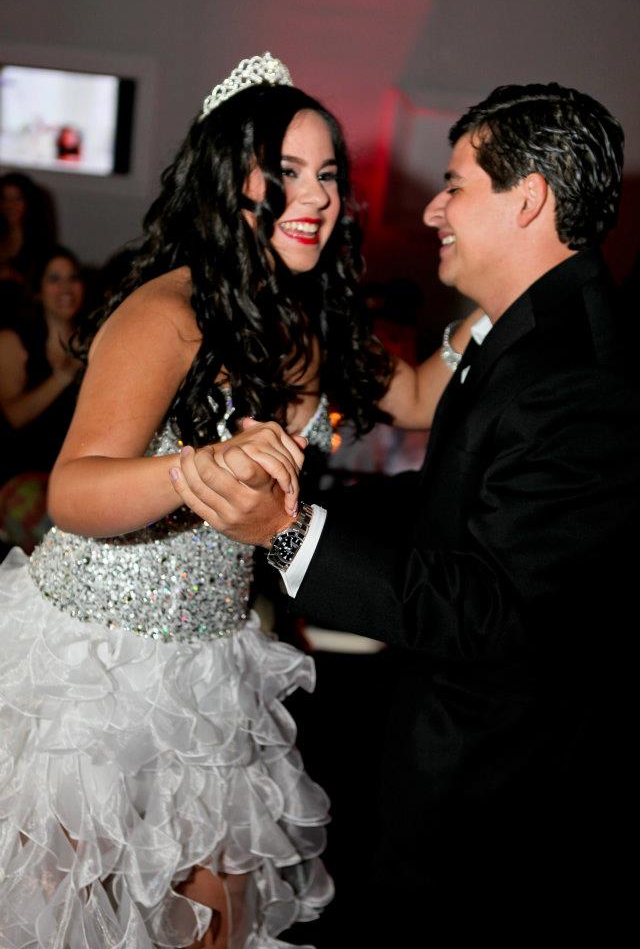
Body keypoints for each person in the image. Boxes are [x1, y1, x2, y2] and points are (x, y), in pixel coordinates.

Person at [0, 54, 475, 949]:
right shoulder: (168, 309)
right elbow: (72, 488)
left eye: (328, 174)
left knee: (220, 924)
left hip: (209, 670)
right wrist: (196, 469)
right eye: (286, 173)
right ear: (230, 181)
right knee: (70, 917)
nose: (317, 195)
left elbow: (414, 398)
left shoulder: (302, 319)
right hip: (93, 669)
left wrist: (491, 302)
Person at [169, 82, 640, 941]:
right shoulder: (531, 332)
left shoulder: (577, 376)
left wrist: (287, 532)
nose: (432, 211)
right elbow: (460, 498)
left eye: (455, 184)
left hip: (495, 782)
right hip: (402, 725)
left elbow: (493, 606)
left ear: (527, 197)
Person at [0, 245, 83, 552]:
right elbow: (15, 415)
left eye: (73, 278)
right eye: (54, 279)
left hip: (70, 475)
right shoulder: (13, 340)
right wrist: (63, 375)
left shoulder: (93, 340)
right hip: (20, 477)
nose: (66, 288)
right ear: (37, 290)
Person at [0, 171, 56, 291]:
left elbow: (43, 286)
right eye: (5, 198)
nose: (10, 205)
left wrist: (13, 276)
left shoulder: (40, 243)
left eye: (17, 199)